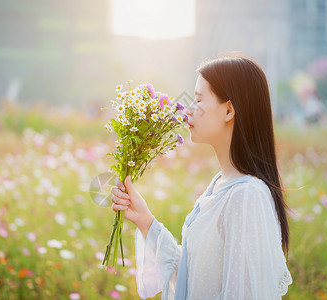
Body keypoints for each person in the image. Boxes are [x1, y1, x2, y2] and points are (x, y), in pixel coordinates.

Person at [110, 54, 293, 299]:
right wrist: (144, 220)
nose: (188, 109)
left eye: (198, 100)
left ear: (229, 110)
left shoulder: (246, 195)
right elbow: (194, 277)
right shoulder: (221, 184)